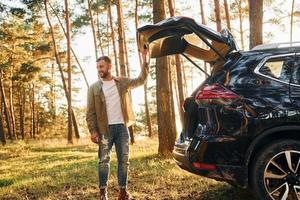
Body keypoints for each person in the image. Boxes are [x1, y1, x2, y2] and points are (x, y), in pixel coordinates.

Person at [86, 50, 149, 200]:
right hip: (104, 130)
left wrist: (145, 60)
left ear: (109, 66)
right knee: (103, 161)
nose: (99, 69)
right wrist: (93, 131)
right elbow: (90, 112)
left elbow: (141, 80)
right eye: (97, 67)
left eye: (101, 66)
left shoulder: (122, 82)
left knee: (124, 161)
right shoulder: (94, 88)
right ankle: (103, 193)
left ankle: (123, 192)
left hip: (121, 128)